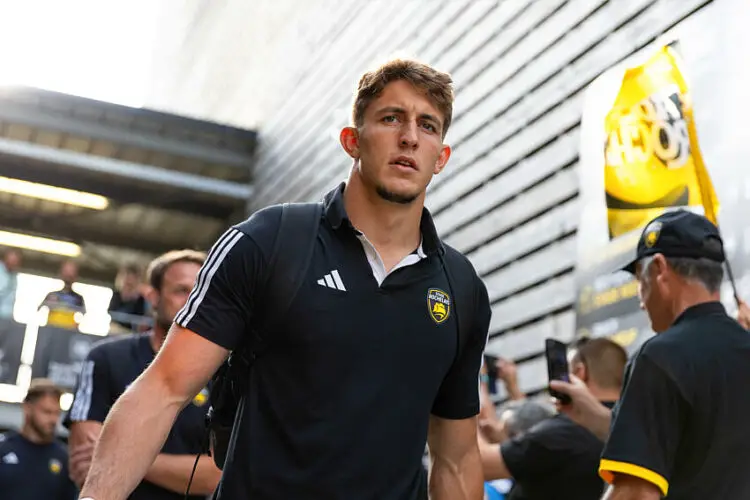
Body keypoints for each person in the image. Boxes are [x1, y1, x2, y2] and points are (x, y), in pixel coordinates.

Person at [77, 58, 492, 500]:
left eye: (428, 126)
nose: (409, 136)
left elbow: (456, 458)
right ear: (352, 141)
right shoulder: (269, 242)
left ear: (441, 157)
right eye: (391, 118)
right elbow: (162, 391)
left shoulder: (461, 288)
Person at [597, 209, 750, 499]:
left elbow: (636, 493)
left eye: (640, 280)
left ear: (659, 269)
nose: (641, 302)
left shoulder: (658, 359)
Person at [65, 250, 221, 499]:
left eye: (201, 292)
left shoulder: (223, 373)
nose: (193, 300)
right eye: (181, 290)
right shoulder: (105, 358)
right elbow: (86, 466)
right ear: (152, 296)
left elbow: (215, 476)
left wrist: (124, 458)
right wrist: (181, 469)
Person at [478, 337, 627, 499]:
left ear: (579, 373)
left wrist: (466, 387)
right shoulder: (632, 431)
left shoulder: (563, 433)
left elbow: (479, 464)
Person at [0, 378, 77, 499]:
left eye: (57, 413)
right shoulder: (3, 449)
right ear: (27, 408)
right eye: (47, 412)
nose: (53, 420)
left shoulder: (64, 458)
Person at [41, 259, 86, 330]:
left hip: (67, 333)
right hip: (50, 331)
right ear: (61, 273)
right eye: (66, 271)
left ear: (76, 275)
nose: (68, 275)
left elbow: (83, 316)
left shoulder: (78, 298)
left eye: (71, 272)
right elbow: (40, 310)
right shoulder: (52, 295)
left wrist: (75, 328)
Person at [108, 263, 149, 333]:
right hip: (114, 332)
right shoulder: (116, 295)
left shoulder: (142, 300)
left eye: (130, 284)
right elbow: (111, 313)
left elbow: (143, 323)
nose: (128, 280)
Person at [0, 248, 21, 319]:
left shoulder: (14, 276)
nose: (14, 263)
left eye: (16, 261)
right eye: (12, 260)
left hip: (6, 317)